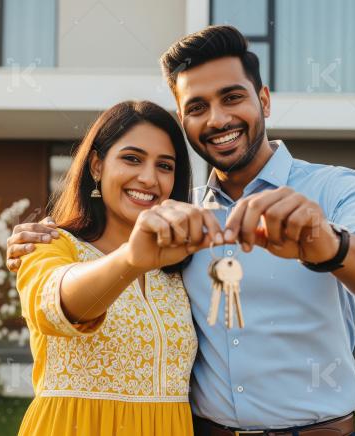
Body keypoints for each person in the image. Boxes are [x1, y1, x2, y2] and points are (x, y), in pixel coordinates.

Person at [8, 26, 355, 436]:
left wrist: (328, 244)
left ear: (264, 100)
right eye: (197, 106)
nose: (218, 118)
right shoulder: (178, 223)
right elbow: (68, 288)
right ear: (184, 120)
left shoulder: (330, 188)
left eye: (232, 97)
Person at [13, 100, 224, 436]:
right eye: (132, 159)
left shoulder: (180, 263)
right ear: (97, 165)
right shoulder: (51, 243)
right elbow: (56, 305)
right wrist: (130, 259)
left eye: (165, 166)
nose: (148, 178)